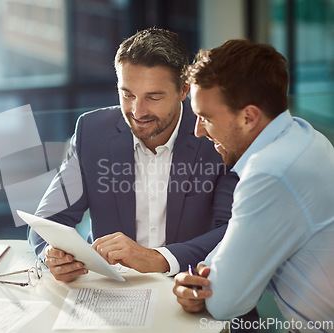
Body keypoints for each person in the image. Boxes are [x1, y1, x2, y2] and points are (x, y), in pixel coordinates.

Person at [29, 28, 238, 283]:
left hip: (188, 285)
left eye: (153, 97)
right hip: (111, 289)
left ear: (184, 90)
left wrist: (159, 259)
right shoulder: (91, 132)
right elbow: (48, 220)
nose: (137, 111)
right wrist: (53, 255)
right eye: (127, 94)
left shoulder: (214, 136)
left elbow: (232, 230)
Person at [173, 39, 334, 329]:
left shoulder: (270, 174)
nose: (197, 131)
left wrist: (202, 286)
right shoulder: (303, 136)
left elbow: (224, 303)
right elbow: (235, 242)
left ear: (248, 117)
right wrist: (206, 275)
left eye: (205, 117)